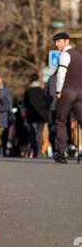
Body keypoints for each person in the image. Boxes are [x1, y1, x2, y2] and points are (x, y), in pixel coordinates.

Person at [53, 32, 82, 164]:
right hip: (80, 92)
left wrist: (58, 90)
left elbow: (61, 73)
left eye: (59, 41)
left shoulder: (65, 54)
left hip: (67, 91)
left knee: (61, 121)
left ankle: (61, 152)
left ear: (66, 41)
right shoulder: (79, 55)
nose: (56, 44)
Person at [24, 73, 48, 158]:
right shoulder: (42, 91)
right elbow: (46, 103)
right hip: (41, 116)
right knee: (40, 133)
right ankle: (39, 151)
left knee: (32, 133)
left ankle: (34, 150)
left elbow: (25, 105)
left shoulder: (28, 91)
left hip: (31, 115)